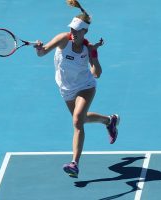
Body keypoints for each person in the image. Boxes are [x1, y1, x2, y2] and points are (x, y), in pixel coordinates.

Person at [33, 0, 120, 178]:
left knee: (77, 121)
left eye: (76, 30)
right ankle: (109, 121)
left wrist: (94, 56)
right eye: (71, 28)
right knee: (80, 119)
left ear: (85, 31)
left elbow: (97, 74)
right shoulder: (63, 39)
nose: (72, 32)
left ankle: (74, 164)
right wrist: (39, 48)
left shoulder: (88, 49)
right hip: (65, 88)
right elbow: (42, 53)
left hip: (85, 86)